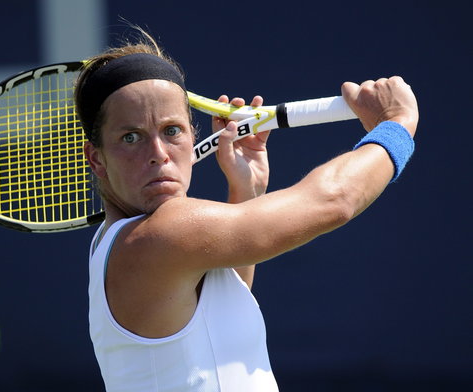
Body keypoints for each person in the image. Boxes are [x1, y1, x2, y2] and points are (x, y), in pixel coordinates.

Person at [74, 32, 418, 392]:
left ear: (192, 137)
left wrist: (246, 191)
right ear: (97, 158)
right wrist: (396, 126)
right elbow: (333, 202)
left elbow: (216, 323)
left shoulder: (132, 245)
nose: (158, 152)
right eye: (131, 137)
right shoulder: (157, 236)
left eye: (171, 130)